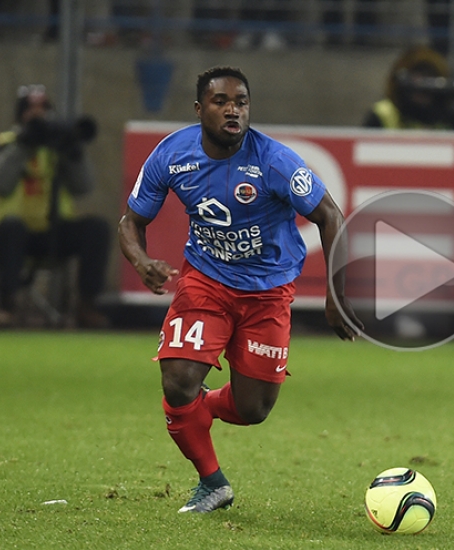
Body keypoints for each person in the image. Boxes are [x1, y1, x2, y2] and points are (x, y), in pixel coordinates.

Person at [118, 66, 360, 514]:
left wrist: (335, 296)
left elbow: (331, 216)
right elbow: (131, 222)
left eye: (241, 102)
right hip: (205, 282)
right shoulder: (171, 155)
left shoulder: (273, 161)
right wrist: (141, 261)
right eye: (221, 102)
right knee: (177, 380)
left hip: (268, 292)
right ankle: (212, 482)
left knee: (254, 409)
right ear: (199, 109)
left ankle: (200, 409)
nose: (233, 110)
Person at [0, 84, 111, 329]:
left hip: (53, 229)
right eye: (31, 109)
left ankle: (87, 305)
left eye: (44, 108)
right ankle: (7, 307)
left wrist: (73, 150)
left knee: (97, 228)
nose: (38, 114)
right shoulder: (4, 143)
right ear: (20, 114)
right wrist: (24, 144)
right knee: (11, 229)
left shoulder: (57, 147)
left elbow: (83, 187)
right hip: (14, 231)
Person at [362, 45, 454, 130]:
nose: (422, 87)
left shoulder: (450, 120)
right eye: (417, 76)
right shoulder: (383, 115)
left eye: (429, 77)